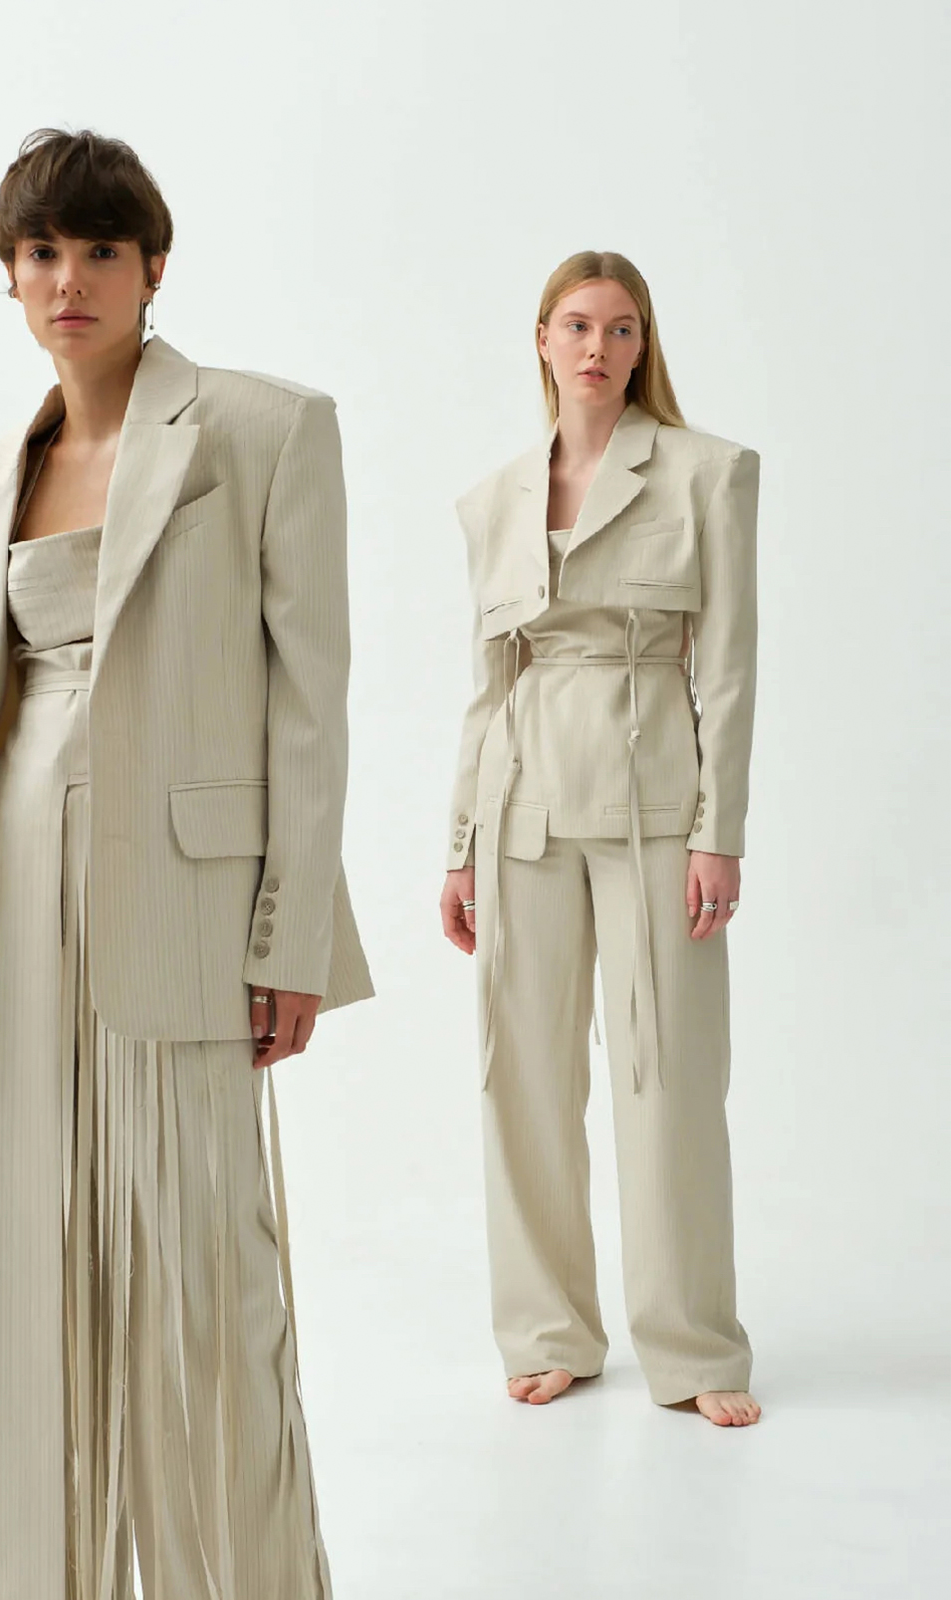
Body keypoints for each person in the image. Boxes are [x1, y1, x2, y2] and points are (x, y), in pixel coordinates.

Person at [0, 126, 373, 1599]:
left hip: (184, 903)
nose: (69, 278)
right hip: (12, 900)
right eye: (41, 252)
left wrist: (290, 933)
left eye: (100, 250)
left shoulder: (263, 429)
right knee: (20, 1275)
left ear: (154, 267)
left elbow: (311, 700)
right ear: (11, 276)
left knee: (201, 1281)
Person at [440, 250, 761, 1428]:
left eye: (621, 328)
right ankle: (547, 1331)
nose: (597, 346)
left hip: (652, 808)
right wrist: (460, 843)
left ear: (643, 347)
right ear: (541, 338)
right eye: (577, 324)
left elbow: (729, 667)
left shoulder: (707, 473)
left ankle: (694, 1346)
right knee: (521, 1082)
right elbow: (487, 684)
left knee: (669, 1078)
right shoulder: (494, 500)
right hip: (520, 805)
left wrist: (719, 832)